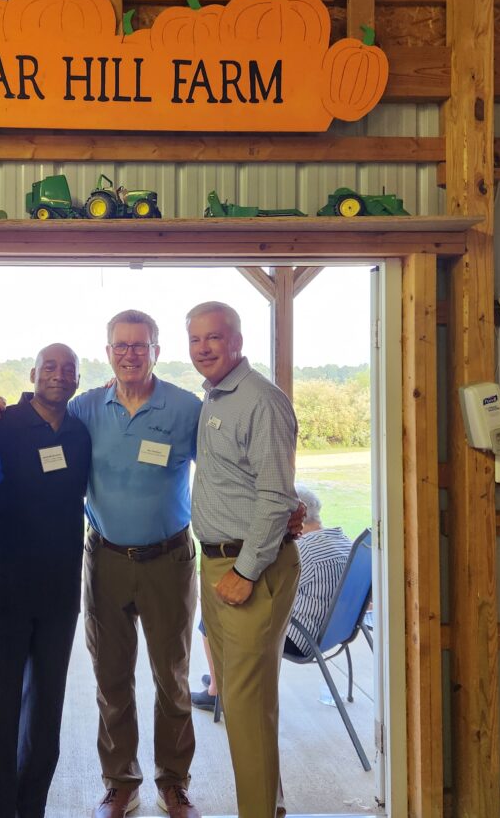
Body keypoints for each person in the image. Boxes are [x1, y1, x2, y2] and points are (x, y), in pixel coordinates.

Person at [0, 309, 203, 818]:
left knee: (171, 676)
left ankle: (174, 780)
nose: (130, 354)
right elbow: (41, 408)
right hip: (104, 559)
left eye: (140, 345)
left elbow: (217, 473)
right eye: (120, 346)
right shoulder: (86, 407)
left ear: (156, 350)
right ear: (107, 354)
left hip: (169, 559)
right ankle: (120, 781)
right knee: (111, 677)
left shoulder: (186, 408)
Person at [0, 343, 92, 818]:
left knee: (45, 719)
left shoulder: (81, 432)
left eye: (69, 370)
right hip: (3, 590)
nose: (59, 375)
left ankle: (30, 808)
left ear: (78, 380)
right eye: (50, 367)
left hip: (60, 593)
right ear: (33, 373)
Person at [188, 301, 301, 818]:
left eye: (215, 337)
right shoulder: (214, 398)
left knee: (249, 710)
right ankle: (267, 809)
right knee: (241, 704)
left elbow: (277, 496)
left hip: (248, 569)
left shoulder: (260, 400)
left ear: (237, 340)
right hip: (218, 564)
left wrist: (245, 570)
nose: (204, 348)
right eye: (196, 339)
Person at [191, 485, 331, 709]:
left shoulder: (302, 553)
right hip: (330, 632)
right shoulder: (341, 541)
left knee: (211, 619)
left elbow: (276, 588)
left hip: (298, 635)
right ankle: (222, 678)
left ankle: (217, 688)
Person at [283, 486, 352, 657]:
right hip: (335, 634)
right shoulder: (345, 542)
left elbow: (272, 592)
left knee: (216, 618)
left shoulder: (303, 550)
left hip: (300, 638)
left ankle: (218, 684)